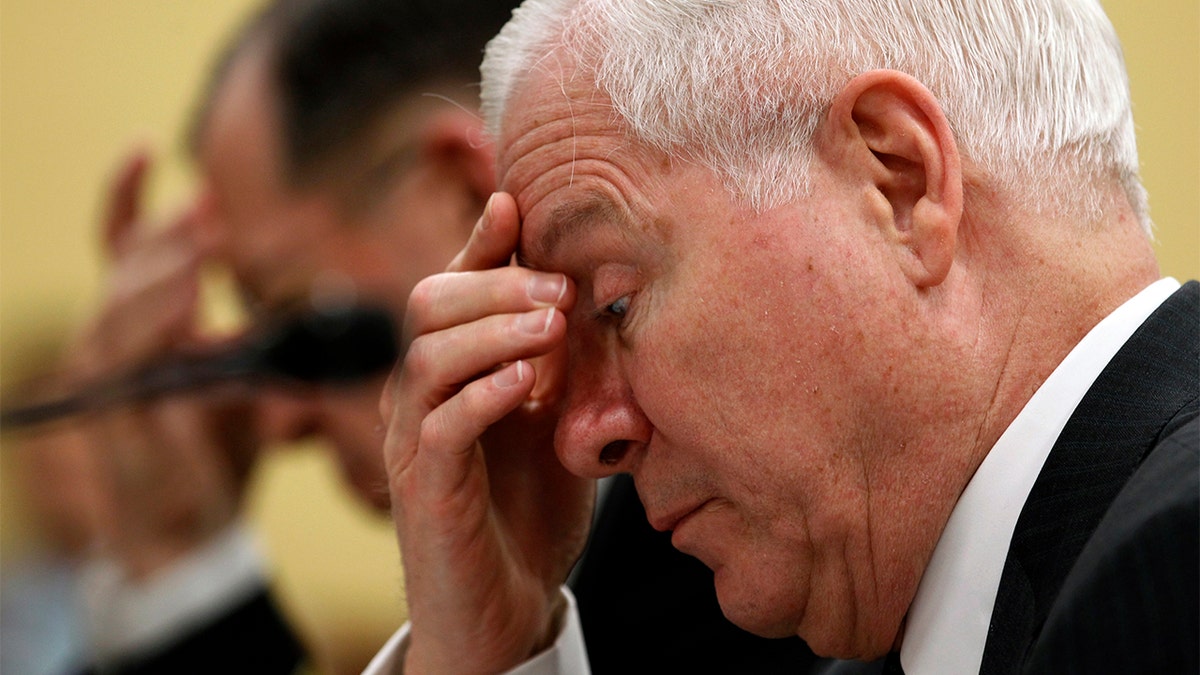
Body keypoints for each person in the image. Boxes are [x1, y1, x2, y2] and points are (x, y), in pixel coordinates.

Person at [369, 0, 1199, 673]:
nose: (583, 437)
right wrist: (491, 655)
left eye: (615, 304)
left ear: (897, 180)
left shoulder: (1170, 571)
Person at [10, 0, 815, 672]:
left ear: (466, 195)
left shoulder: (764, 552)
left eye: (297, 320)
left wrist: (184, 574)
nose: (277, 418)